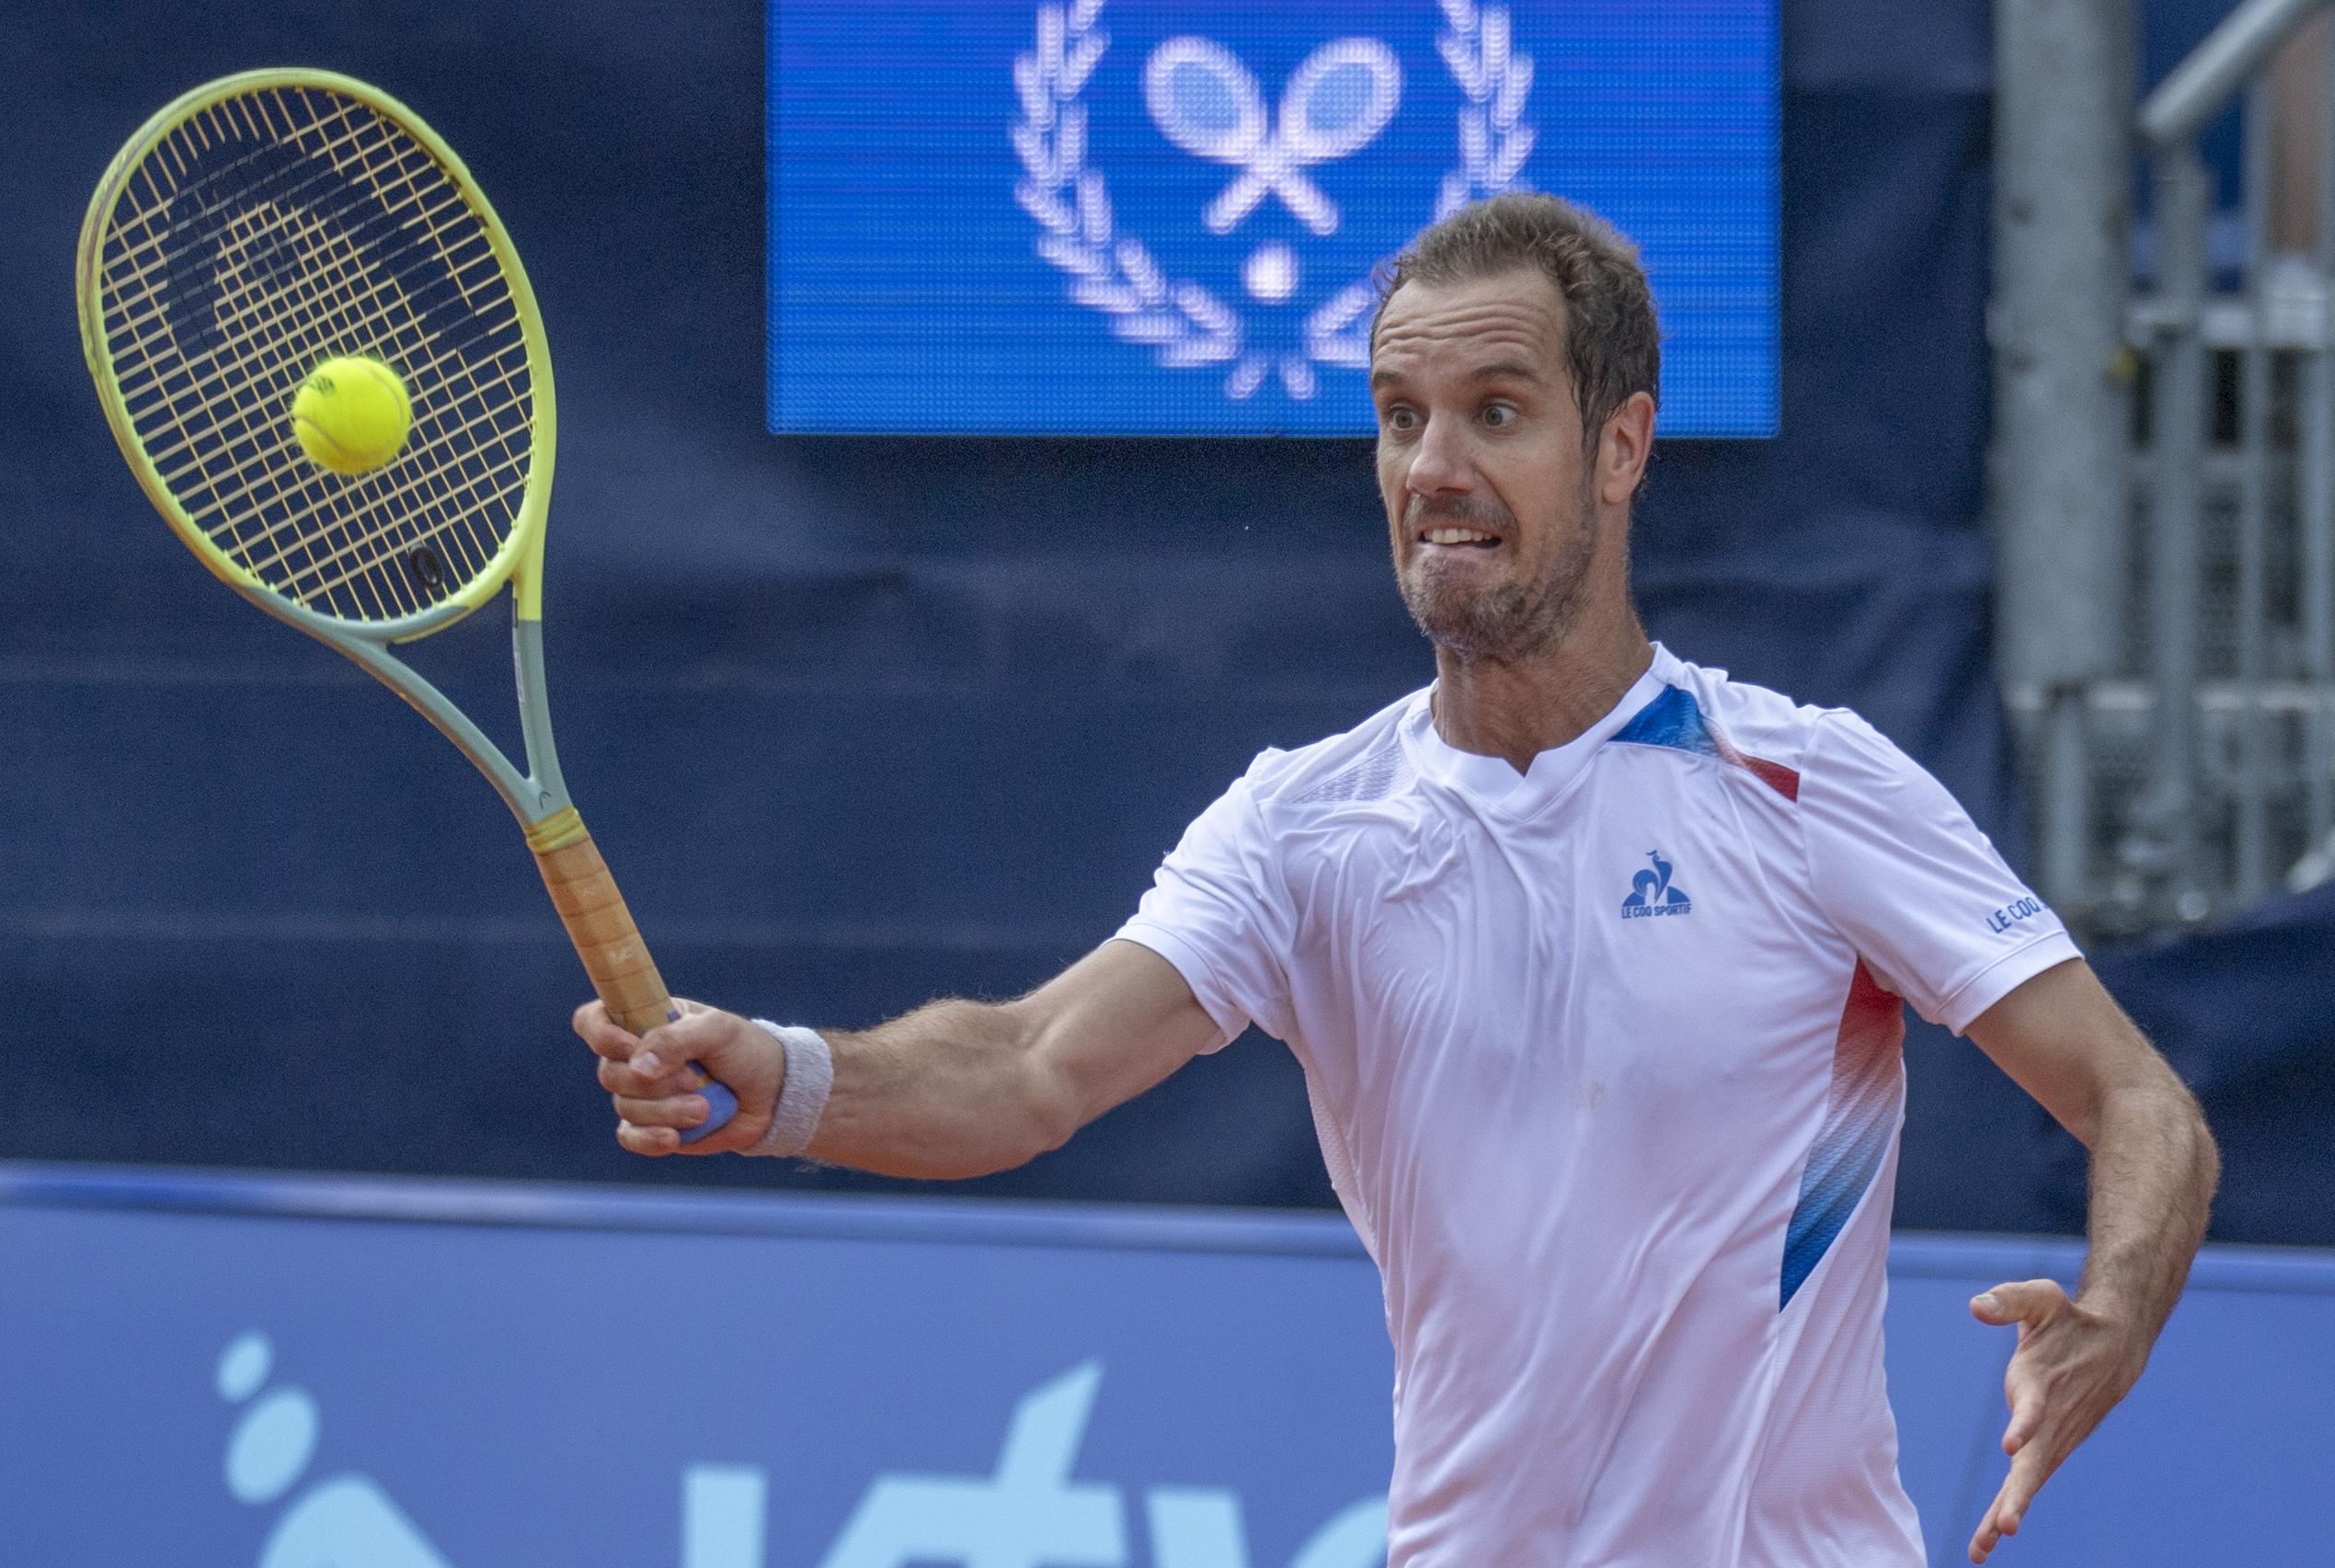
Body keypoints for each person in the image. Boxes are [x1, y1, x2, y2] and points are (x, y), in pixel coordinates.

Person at [577, 193, 2218, 1567]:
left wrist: (2116, 1310)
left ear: (1621, 444)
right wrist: (787, 1078)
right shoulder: (1304, 833)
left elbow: (2141, 1106)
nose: (1433, 464)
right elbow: (1022, 1070)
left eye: (1495, 412)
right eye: (1398, 416)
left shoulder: (1806, 786)